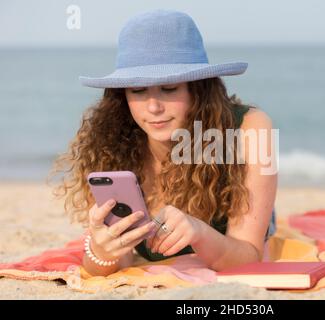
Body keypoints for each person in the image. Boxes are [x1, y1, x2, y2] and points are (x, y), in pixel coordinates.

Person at [49, 9, 277, 277]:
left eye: (169, 89)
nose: (154, 107)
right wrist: (102, 250)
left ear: (198, 88)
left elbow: (249, 256)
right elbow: (114, 266)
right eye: (138, 90)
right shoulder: (109, 146)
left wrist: (200, 232)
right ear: (122, 96)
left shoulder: (250, 128)